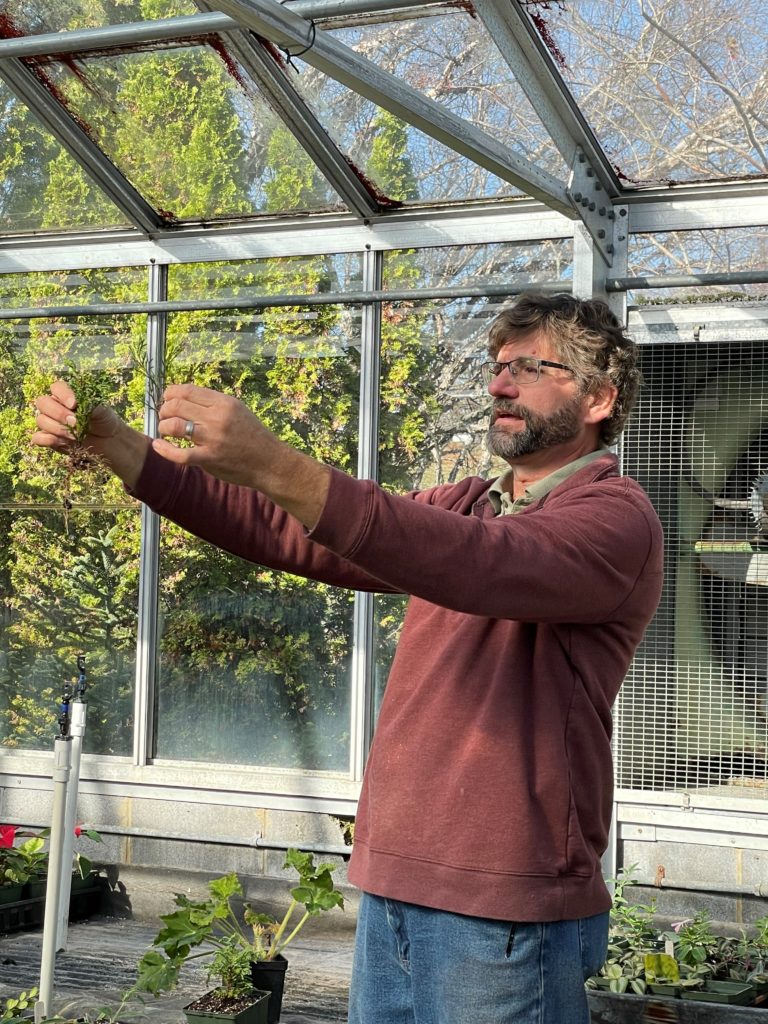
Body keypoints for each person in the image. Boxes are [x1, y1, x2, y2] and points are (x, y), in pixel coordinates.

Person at [32, 292, 664, 1024]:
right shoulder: (472, 502)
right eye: (496, 366)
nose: (498, 383)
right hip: (396, 881)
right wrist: (129, 453)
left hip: (503, 903)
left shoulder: (615, 519)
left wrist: (275, 461)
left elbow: (479, 564)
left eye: (529, 366)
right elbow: (299, 531)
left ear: (599, 397)